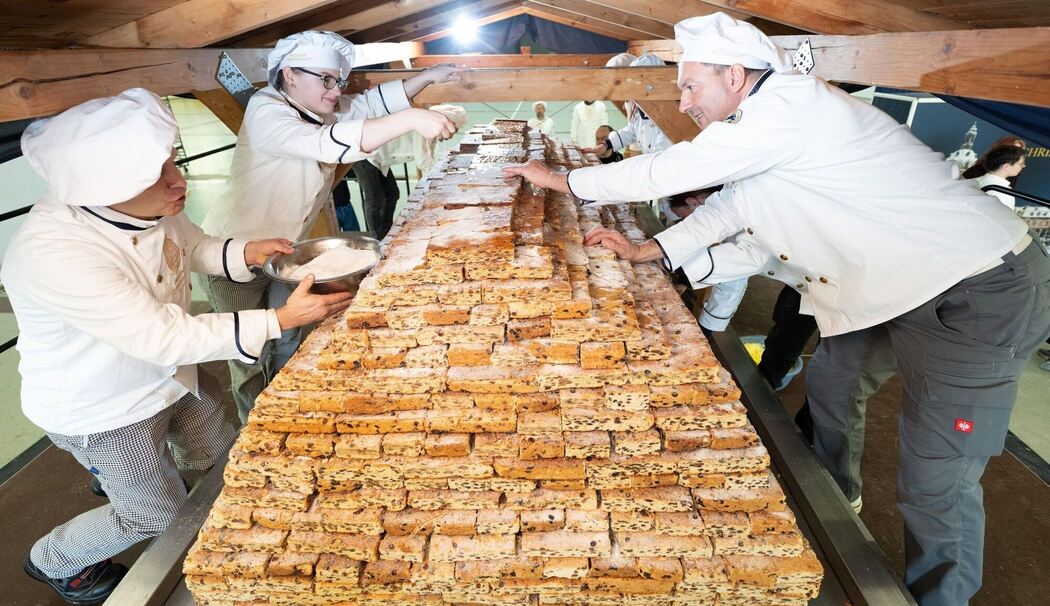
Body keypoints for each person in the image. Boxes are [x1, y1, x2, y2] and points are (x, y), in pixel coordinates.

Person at [505, 13, 1050, 605]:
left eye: (691, 86)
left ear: (734, 76)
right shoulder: (763, 124)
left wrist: (562, 181)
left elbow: (675, 170)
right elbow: (733, 208)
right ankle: (838, 498)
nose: (683, 103)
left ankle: (941, 596)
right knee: (834, 383)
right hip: (894, 286)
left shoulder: (788, 107)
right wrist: (650, 250)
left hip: (973, 288)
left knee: (936, 471)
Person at [3, 89, 352, 606]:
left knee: (223, 454)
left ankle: (141, 483)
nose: (177, 180)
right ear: (103, 187)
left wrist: (247, 252)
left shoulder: (144, 207)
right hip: (105, 409)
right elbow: (162, 335)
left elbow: (190, 246)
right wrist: (279, 319)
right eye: (156, 174)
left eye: (172, 161)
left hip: (168, 378)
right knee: (155, 515)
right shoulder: (56, 254)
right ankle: (55, 559)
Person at [199, 31, 463, 422]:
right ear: (289, 75)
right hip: (233, 255)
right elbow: (324, 143)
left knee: (288, 336)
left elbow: (368, 103)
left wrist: (425, 77)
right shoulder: (266, 110)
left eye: (338, 80)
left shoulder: (320, 107)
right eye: (326, 79)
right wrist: (411, 118)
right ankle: (255, 424)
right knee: (248, 353)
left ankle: (288, 408)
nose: (335, 89)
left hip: (284, 253)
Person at [961, 135, 1026, 182]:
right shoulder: (977, 170)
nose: (1016, 154)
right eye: (1013, 150)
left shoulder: (1013, 176)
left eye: (1019, 151)